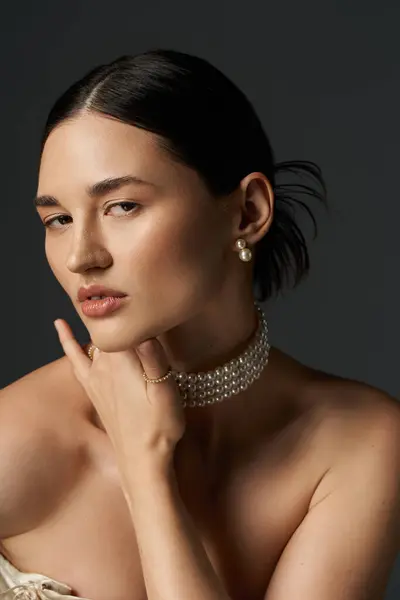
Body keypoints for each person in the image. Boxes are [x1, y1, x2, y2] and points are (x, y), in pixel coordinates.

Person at [0, 48, 399, 600]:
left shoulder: (360, 442)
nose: (80, 257)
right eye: (59, 220)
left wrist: (147, 474)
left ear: (247, 212)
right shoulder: (13, 443)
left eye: (121, 206)